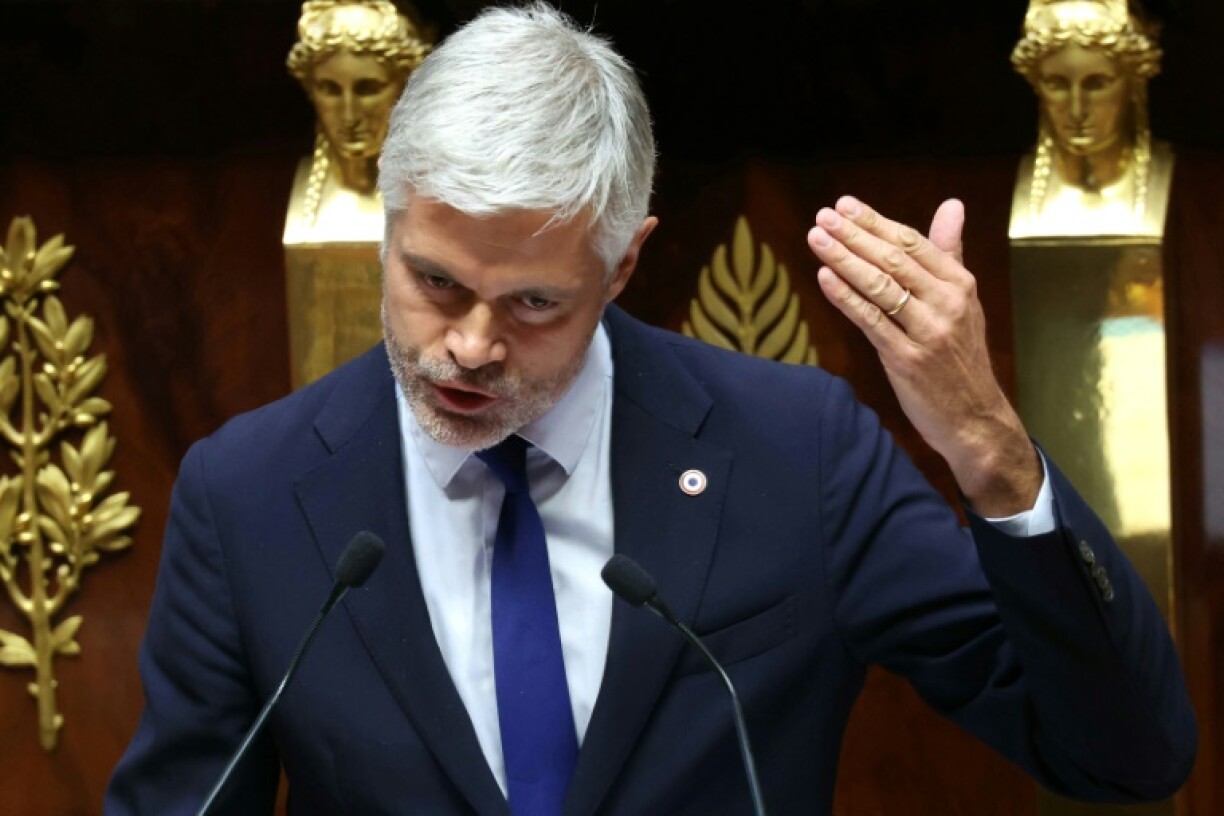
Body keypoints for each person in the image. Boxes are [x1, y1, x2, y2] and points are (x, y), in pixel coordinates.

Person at [107, 4, 1196, 814]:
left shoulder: (794, 453)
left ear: (625, 263)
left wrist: (992, 454)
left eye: (534, 302)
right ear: (392, 224)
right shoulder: (249, 493)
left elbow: (1125, 757)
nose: (473, 346)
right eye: (435, 281)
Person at [1009, 0, 1172, 236]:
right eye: (1057, 85)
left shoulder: (1193, 191)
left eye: (1096, 85)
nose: (1077, 110)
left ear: (1134, 83)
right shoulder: (999, 191)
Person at [284, 0, 431, 234]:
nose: (349, 116)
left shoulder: (437, 199)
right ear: (310, 89)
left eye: (368, 89)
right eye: (330, 89)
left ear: (405, 86)